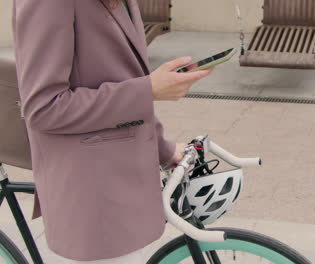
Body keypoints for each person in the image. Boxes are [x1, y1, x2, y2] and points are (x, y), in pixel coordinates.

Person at [12, 0, 213, 262]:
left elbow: (120, 77)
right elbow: (43, 108)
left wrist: (162, 148)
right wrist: (148, 90)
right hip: (94, 203)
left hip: (123, 192)